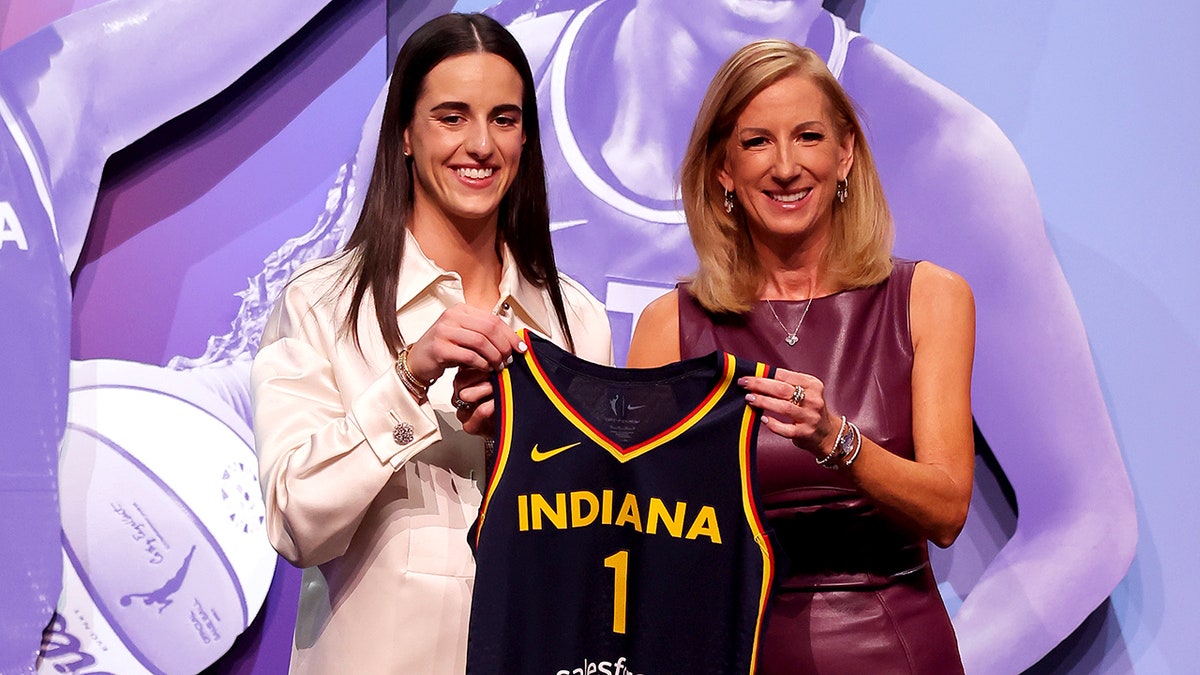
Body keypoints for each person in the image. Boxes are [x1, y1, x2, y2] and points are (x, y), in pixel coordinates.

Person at [250, 12, 612, 673]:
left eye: (503, 119)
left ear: (526, 137)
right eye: (452, 116)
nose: (481, 144)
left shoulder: (576, 321)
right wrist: (409, 379)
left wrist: (528, 442)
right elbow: (296, 521)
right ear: (406, 135)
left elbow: (603, 544)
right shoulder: (322, 304)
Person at [628, 40, 974, 673]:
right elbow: (637, 527)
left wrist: (838, 441)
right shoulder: (669, 328)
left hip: (896, 647)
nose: (786, 167)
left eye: (808, 137)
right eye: (757, 142)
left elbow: (949, 510)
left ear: (845, 154)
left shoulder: (930, 298)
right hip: (729, 650)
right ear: (722, 170)